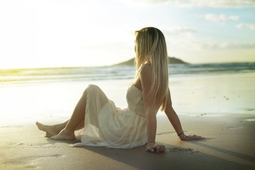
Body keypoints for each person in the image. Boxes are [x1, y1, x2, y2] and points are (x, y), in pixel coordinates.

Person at [36, 27, 204, 154]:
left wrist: (151, 143)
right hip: (138, 131)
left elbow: (149, 109)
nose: (135, 48)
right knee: (101, 106)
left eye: (137, 44)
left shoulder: (146, 69)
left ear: (144, 46)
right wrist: (182, 135)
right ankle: (58, 128)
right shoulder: (160, 73)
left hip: (127, 129)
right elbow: (168, 108)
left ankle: (66, 132)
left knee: (91, 91)